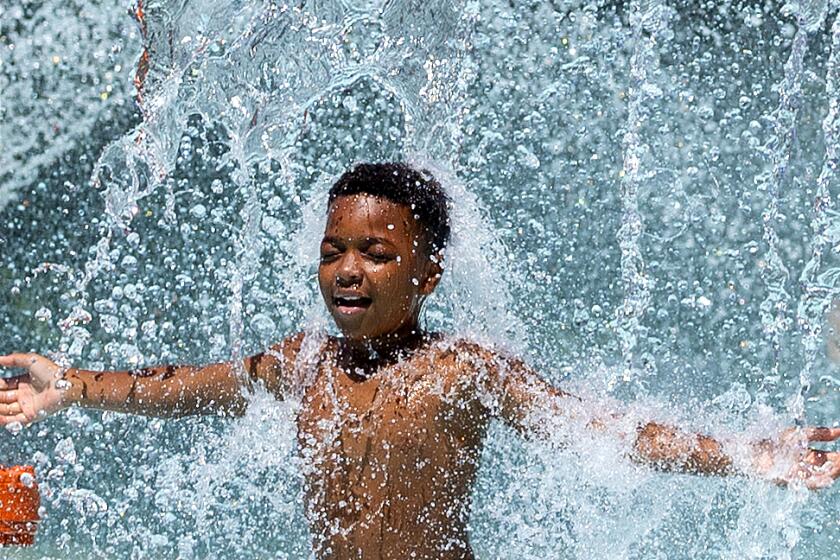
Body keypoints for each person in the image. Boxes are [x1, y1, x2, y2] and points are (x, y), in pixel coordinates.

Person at [1, 162, 838, 559]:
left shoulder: (463, 369)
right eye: (333, 251)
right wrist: (70, 387)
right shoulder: (302, 366)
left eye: (376, 252)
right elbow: (184, 386)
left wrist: (747, 455)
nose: (348, 270)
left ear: (428, 273)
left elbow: (603, 432)